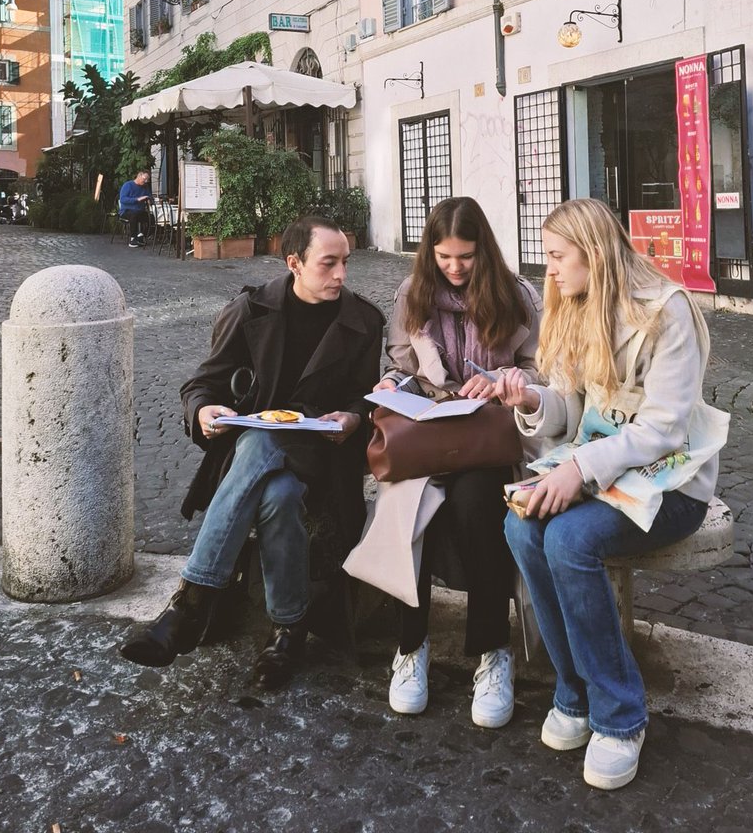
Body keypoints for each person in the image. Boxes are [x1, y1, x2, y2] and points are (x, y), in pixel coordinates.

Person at [497, 198, 720, 791]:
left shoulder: (666, 311)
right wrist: (533, 403)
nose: (549, 270)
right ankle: (572, 689)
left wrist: (578, 472)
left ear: (593, 253)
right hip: (604, 471)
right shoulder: (575, 305)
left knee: (569, 537)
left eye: (556, 257)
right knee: (522, 524)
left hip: (671, 483)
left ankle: (620, 716)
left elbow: (665, 429)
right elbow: (572, 406)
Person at [119, 215, 384, 689]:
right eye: (329, 264)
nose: (342, 274)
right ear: (294, 263)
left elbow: (366, 397)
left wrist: (353, 418)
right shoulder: (250, 310)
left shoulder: (363, 322)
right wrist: (203, 410)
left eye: (346, 262)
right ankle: (288, 629)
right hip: (259, 461)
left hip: (325, 458)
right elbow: (201, 383)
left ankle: (189, 604)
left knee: (264, 440)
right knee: (277, 492)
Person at [360, 197, 541, 728]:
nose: (456, 268)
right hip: (427, 438)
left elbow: (543, 369)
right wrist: (390, 386)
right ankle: (409, 647)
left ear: (483, 250)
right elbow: (402, 367)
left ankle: (493, 652)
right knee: (408, 512)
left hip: (488, 440)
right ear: (429, 253)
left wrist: (508, 381)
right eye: (444, 257)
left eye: (465, 256)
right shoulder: (412, 296)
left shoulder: (516, 295)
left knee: (478, 505)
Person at [118, 168, 152, 247]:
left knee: (152, 218)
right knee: (134, 215)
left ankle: (141, 235)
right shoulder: (128, 185)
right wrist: (137, 199)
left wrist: (149, 200)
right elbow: (123, 199)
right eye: (144, 179)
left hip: (140, 211)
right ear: (139, 175)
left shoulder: (145, 187)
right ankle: (133, 239)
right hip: (126, 211)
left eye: (147, 180)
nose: (146, 181)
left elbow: (149, 196)